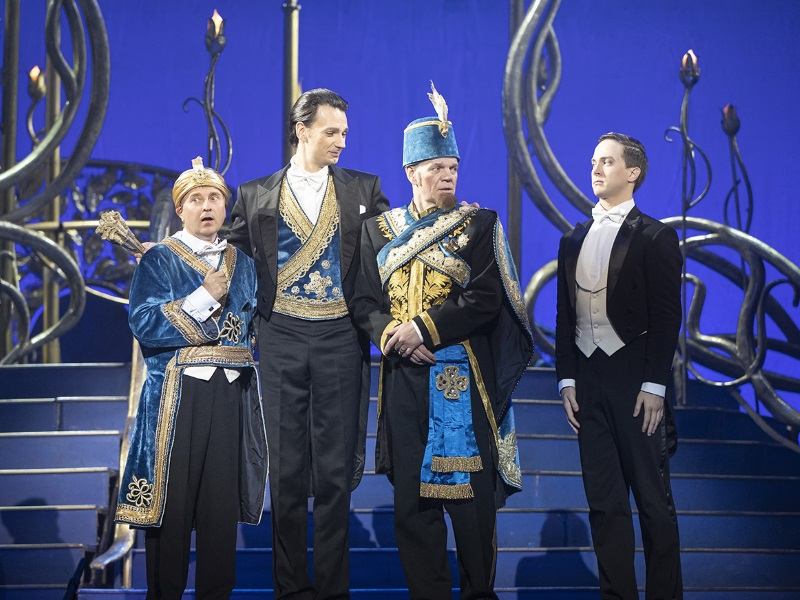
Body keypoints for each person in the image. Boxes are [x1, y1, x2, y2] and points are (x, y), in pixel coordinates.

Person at [351, 84, 534, 599]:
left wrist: (423, 328)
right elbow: (363, 301)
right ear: (411, 172)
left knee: (471, 506)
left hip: (460, 378)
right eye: (436, 168)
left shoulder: (479, 225)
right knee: (413, 509)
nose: (448, 175)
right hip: (403, 379)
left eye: (452, 167)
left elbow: (485, 299)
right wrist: (395, 334)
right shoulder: (378, 231)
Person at [228, 88, 389, 599]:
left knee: (336, 473)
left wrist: (446, 220)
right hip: (279, 338)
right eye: (331, 131)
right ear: (301, 130)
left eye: (345, 132)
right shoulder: (254, 194)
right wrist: (171, 255)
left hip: (341, 336)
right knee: (287, 473)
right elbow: (228, 260)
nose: (341, 141)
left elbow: (396, 246)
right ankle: (291, 590)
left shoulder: (365, 188)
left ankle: (334, 591)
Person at [115, 157, 268, 599]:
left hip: (229, 394)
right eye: (196, 200)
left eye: (214, 198)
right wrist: (202, 297)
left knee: (219, 515)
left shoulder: (244, 263)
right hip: (176, 396)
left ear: (225, 207)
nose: (207, 206)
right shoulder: (160, 258)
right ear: (180, 210)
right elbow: (143, 322)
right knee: (172, 509)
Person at [555, 132, 683, 599]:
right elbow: (564, 315)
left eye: (607, 161)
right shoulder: (572, 238)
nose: (596, 168)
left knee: (653, 504)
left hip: (636, 384)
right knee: (605, 505)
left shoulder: (656, 236)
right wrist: (566, 379)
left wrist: (655, 385)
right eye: (594, 161)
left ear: (633, 172)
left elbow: (667, 317)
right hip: (589, 384)